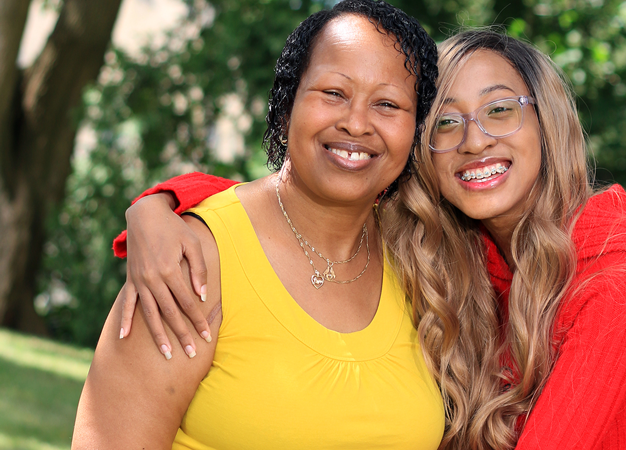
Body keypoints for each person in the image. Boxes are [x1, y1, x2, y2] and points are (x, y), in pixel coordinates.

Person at [107, 32, 626, 450]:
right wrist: (162, 205)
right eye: (445, 122)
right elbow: (302, 193)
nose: (474, 140)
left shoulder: (615, 262)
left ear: (548, 121)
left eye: (499, 110)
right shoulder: (456, 253)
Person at [72, 1, 445, 448]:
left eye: (387, 104)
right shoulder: (189, 261)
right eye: (333, 93)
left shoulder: (422, 267)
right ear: (287, 104)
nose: (356, 123)